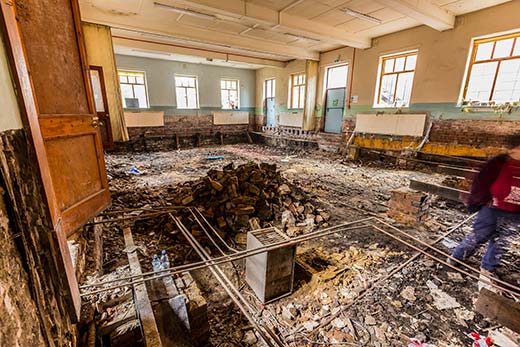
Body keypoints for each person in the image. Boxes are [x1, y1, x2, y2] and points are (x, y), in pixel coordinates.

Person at [449, 135, 520, 286]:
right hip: (492, 209)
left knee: (502, 242)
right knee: (478, 236)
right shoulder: (499, 163)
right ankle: (457, 257)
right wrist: (475, 203)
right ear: (514, 149)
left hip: (515, 213)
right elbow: (481, 183)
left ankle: (488, 267)